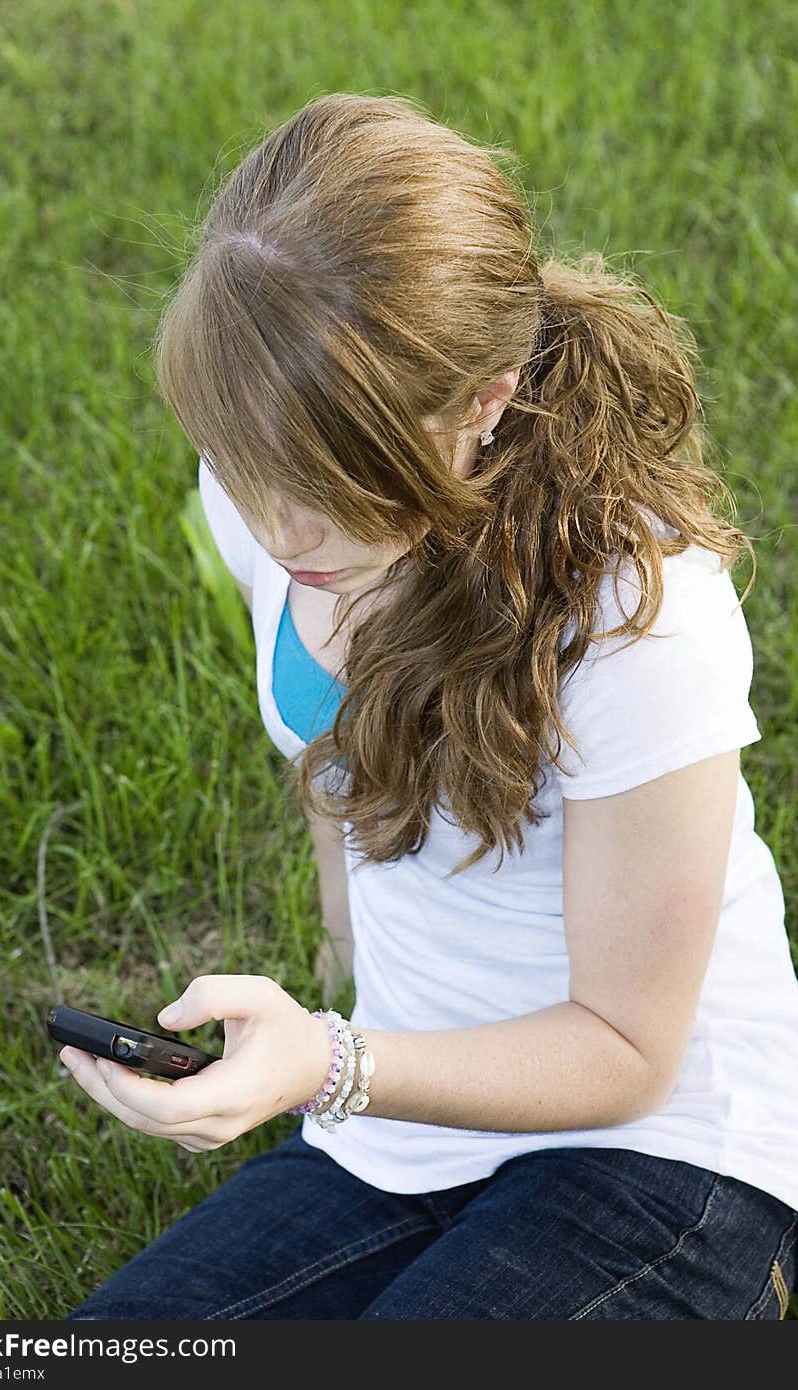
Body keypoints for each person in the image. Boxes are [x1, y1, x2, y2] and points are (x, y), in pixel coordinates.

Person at [60, 92, 798, 1320]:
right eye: (249, 467)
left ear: (484, 402)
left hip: (675, 1157)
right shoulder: (261, 481)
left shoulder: (636, 606)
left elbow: (627, 1048)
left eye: (334, 479)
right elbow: (337, 782)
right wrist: (341, 1010)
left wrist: (334, 1063)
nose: (280, 525)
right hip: (406, 1122)